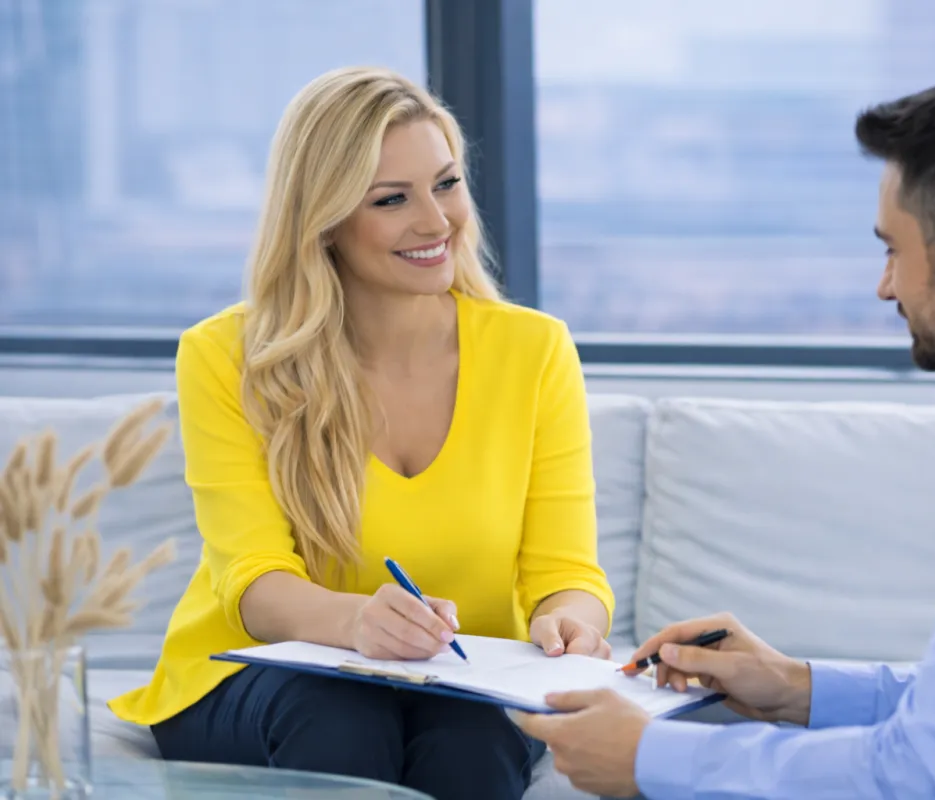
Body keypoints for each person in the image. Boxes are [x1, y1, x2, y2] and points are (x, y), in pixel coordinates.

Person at [515, 74, 935, 798]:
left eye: (893, 250)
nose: (885, 288)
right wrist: (796, 687)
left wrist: (649, 759)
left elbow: (931, 778)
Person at [107, 66, 616, 800]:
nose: (437, 223)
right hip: (261, 671)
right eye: (391, 200)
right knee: (341, 712)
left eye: (446, 184)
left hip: (457, 677)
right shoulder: (225, 357)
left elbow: (567, 573)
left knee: (475, 740)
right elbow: (252, 580)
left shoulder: (533, 351)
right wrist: (356, 623)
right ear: (324, 220)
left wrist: (570, 624)